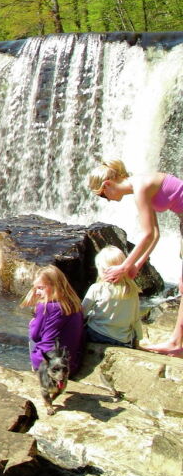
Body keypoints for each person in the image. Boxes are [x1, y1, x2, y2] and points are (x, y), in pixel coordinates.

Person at [87, 158, 183, 357]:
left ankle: (175, 343)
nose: (107, 200)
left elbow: (148, 234)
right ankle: (175, 342)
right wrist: (137, 264)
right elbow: (156, 234)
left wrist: (123, 267)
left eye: (103, 196)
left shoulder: (140, 186)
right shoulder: (141, 185)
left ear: (107, 185)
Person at [22, 265, 85, 375]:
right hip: (70, 366)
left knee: (33, 327)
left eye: (41, 288)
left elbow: (35, 336)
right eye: (35, 288)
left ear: (55, 286)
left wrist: (33, 323)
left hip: (47, 366)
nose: (36, 292)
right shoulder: (75, 304)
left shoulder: (45, 307)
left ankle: (35, 369)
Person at [82, 246, 142, 348]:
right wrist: (138, 342)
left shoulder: (97, 288)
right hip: (122, 340)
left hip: (97, 335)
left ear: (103, 270)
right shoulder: (133, 290)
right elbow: (136, 319)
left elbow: (81, 314)